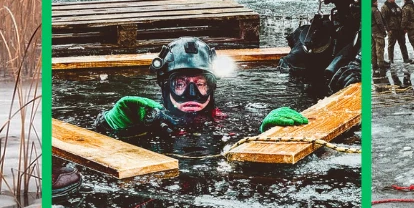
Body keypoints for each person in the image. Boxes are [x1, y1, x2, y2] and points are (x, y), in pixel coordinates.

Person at [92, 36, 307, 137]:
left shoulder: (235, 118)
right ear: (165, 87)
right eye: (180, 84)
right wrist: (113, 123)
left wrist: (268, 133)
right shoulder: (148, 119)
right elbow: (93, 142)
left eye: (201, 84)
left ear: (212, 87)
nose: (191, 94)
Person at [382, 0, 409, 64]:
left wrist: (404, 27)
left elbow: (402, 15)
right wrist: (388, 29)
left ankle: (406, 58)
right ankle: (391, 59)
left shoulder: (396, 6)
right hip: (392, 29)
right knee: (391, 45)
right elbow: (384, 19)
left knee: (403, 44)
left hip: (400, 29)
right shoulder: (385, 7)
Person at [370, 0, 387, 75]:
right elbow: (379, 22)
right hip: (377, 31)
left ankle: (374, 64)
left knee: (373, 48)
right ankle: (381, 64)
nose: (377, 3)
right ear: (374, 2)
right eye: (376, 1)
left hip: (371, 31)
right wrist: (383, 31)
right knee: (379, 47)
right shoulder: (375, 10)